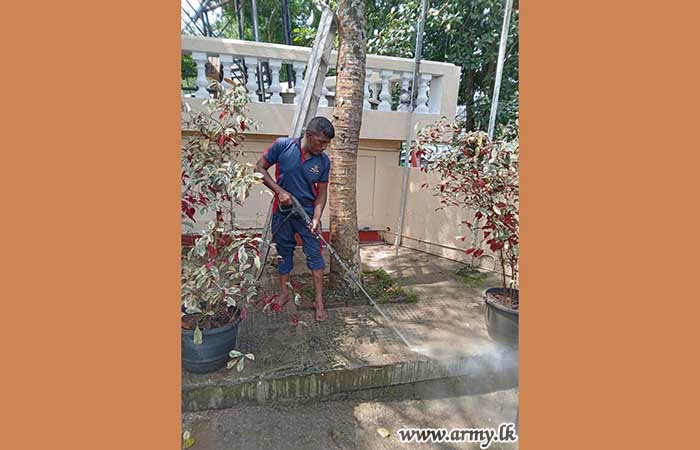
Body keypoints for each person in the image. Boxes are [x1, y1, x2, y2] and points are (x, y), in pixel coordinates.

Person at [254, 116, 335, 321]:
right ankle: (284, 293)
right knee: (284, 252)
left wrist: (316, 217)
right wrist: (279, 191)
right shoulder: (283, 146)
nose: (324, 147)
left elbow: (322, 194)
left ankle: (319, 302)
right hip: (282, 211)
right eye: (321, 142)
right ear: (309, 135)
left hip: (306, 214)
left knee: (315, 256)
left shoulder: (323, 161)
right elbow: (259, 169)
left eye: (326, 143)